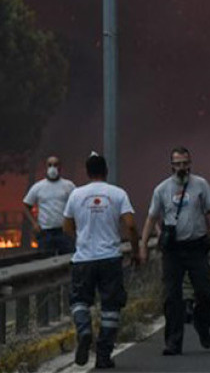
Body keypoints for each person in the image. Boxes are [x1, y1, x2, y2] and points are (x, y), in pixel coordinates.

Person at [140, 146, 210, 356]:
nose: (182, 168)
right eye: (177, 164)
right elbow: (151, 217)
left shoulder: (201, 185)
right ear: (171, 165)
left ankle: (202, 324)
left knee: (205, 294)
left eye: (185, 163)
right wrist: (143, 246)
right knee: (171, 297)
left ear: (190, 163)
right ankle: (173, 343)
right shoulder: (162, 190)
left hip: (196, 247)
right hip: (173, 251)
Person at [63, 152, 140, 369]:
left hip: (83, 259)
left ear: (87, 172)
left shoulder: (76, 195)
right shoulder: (117, 194)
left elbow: (66, 227)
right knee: (111, 307)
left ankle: (84, 329)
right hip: (110, 259)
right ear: (106, 171)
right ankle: (104, 355)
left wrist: (81, 239)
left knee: (79, 300)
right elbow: (131, 226)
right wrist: (136, 252)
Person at [22, 154, 77, 255]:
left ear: (60, 167)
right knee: (45, 262)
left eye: (55, 165)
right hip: (45, 232)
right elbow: (26, 205)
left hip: (64, 231)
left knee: (68, 260)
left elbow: (77, 205)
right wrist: (34, 223)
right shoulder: (38, 187)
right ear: (45, 167)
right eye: (50, 165)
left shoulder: (69, 185)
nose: (53, 168)